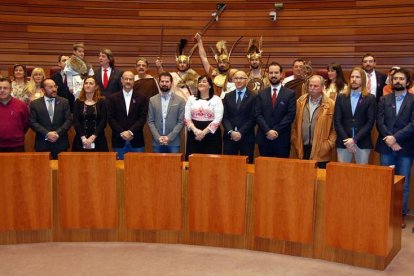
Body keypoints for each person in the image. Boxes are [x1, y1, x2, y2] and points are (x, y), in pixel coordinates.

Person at [375, 68, 414, 229]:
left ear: (407, 82)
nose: (398, 81)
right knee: (386, 182)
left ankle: (400, 215)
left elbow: (413, 123)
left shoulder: (413, 100)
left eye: (401, 79)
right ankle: (385, 214)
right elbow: (380, 121)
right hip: (386, 147)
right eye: (395, 78)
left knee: (403, 184)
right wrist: (390, 140)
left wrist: (396, 138)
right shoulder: (384, 99)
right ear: (392, 81)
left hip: (406, 147)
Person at [291, 75, 336, 168]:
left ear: (322, 87)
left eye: (315, 86)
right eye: (310, 85)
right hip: (302, 148)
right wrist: (294, 139)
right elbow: (293, 124)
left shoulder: (331, 104)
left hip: (321, 149)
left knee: (319, 179)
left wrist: (328, 144)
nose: (312, 88)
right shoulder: (300, 102)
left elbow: (335, 129)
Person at [334, 67, 376, 164]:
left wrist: (354, 140)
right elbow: (337, 121)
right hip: (343, 141)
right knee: (342, 173)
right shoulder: (341, 97)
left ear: (363, 80)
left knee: (362, 175)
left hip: (362, 141)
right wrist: (347, 140)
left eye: (357, 77)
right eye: (352, 77)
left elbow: (370, 122)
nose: (354, 79)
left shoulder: (370, 98)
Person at [256, 62, 296, 158]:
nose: (273, 75)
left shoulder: (290, 93)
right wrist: (268, 131)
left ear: (281, 74)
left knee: (281, 170)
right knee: (265, 169)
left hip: (282, 138)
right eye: (271, 73)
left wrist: (276, 131)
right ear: (268, 75)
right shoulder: (261, 93)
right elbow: (258, 115)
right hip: (264, 138)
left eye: (276, 73)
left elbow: (290, 115)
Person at [107, 71, 148, 160]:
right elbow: (111, 118)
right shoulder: (112, 98)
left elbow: (142, 118)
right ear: (121, 80)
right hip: (119, 139)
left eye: (131, 79)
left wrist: (130, 132)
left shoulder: (142, 98)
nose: (128, 81)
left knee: (138, 169)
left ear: (134, 81)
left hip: (136, 139)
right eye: (126, 79)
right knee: (119, 170)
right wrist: (122, 132)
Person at [29, 78, 72, 159]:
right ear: (43, 89)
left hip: (60, 142)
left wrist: (57, 133)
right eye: (50, 87)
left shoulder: (64, 102)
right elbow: (33, 122)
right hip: (42, 143)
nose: (54, 89)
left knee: (62, 170)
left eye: (55, 87)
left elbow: (68, 120)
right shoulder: (35, 104)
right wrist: (47, 134)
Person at [184, 75, 223, 159]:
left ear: (209, 85)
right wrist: (196, 131)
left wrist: (203, 132)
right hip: (194, 134)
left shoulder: (216, 99)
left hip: (211, 135)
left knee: (211, 162)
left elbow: (218, 119)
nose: (201, 83)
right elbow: (187, 118)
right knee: (193, 162)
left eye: (204, 81)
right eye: (199, 82)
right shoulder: (191, 98)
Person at [222, 70, 257, 163]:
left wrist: (240, 132)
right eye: (236, 78)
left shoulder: (254, 96)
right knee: (228, 166)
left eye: (241, 78)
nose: (238, 80)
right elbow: (225, 117)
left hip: (246, 137)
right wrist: (231, 132)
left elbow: (253, 118)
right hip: (230, 138)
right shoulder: (228, 96)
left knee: (247, 166)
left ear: (247, 80)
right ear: (233, 80)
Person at [147, 72, 185, 153]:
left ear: (171, 83)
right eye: (162, 81)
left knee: (174, 165)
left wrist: (169, 137)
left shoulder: (180, 100)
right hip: (157, 142)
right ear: (159, 82)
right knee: (157, 165)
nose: (164, 84)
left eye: (167, 81)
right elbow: (150, 121)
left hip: (173, 142)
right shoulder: (152, 100)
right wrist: (158, 137)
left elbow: (181, 122)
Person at [194, 33, 237, 97]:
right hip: (213, 102)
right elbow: (203, 57)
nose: (222, 64)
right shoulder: (212, 71)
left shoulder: (233, 74)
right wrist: (199, 41)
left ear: (229, 63)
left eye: (224, 62)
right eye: (220, 63)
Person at [72, 76, 108, 152]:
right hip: (81, 139)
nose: (88, 85)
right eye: (86, 83)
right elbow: (76, 121)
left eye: (91, 83)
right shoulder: (77, 102)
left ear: (96, 87)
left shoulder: (102, 102)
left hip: (98, 139)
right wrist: (84, 139)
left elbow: (103, 121)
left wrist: (92, 138)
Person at [0, 77, 29, 152]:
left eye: (5, 88)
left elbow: (26, 124)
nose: (2, 90)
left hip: (17, 145)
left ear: (11, 90)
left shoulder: (21, 105)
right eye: (0, 88)